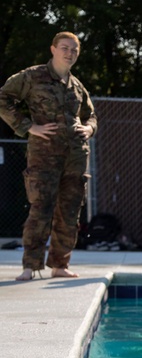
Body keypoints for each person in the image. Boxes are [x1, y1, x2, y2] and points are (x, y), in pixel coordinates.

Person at [0, 32, 97, 281]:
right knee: (40, 209)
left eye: (74, 49)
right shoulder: (32, 76)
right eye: (65, 48)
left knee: (70, 212)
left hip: (75, 157)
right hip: (44, 156)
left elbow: (91, 115)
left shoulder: (76, 85)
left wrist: (89, 128)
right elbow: (3, 98)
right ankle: (30, 266)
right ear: (53, 49)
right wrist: (27, 127)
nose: (69, 53)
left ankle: (59, 265)